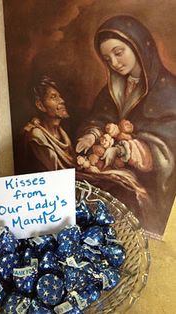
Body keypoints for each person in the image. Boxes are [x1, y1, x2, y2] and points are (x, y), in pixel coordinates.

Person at [76, 15, 176, 237]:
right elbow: (100, 117)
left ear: (139, 46)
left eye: (118, 53)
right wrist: (91, 136)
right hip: (110, 171)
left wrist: (122, 151)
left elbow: (167, 147)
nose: (114, 63)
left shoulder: (169, 92)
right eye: (107, 58)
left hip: (146, 184)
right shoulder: (115, 87)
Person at [23, 75, 75, 172]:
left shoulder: (63, 134)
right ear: (40, 105)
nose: (62, 101)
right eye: (54, 97)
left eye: (60, 96)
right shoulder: (37, 137)